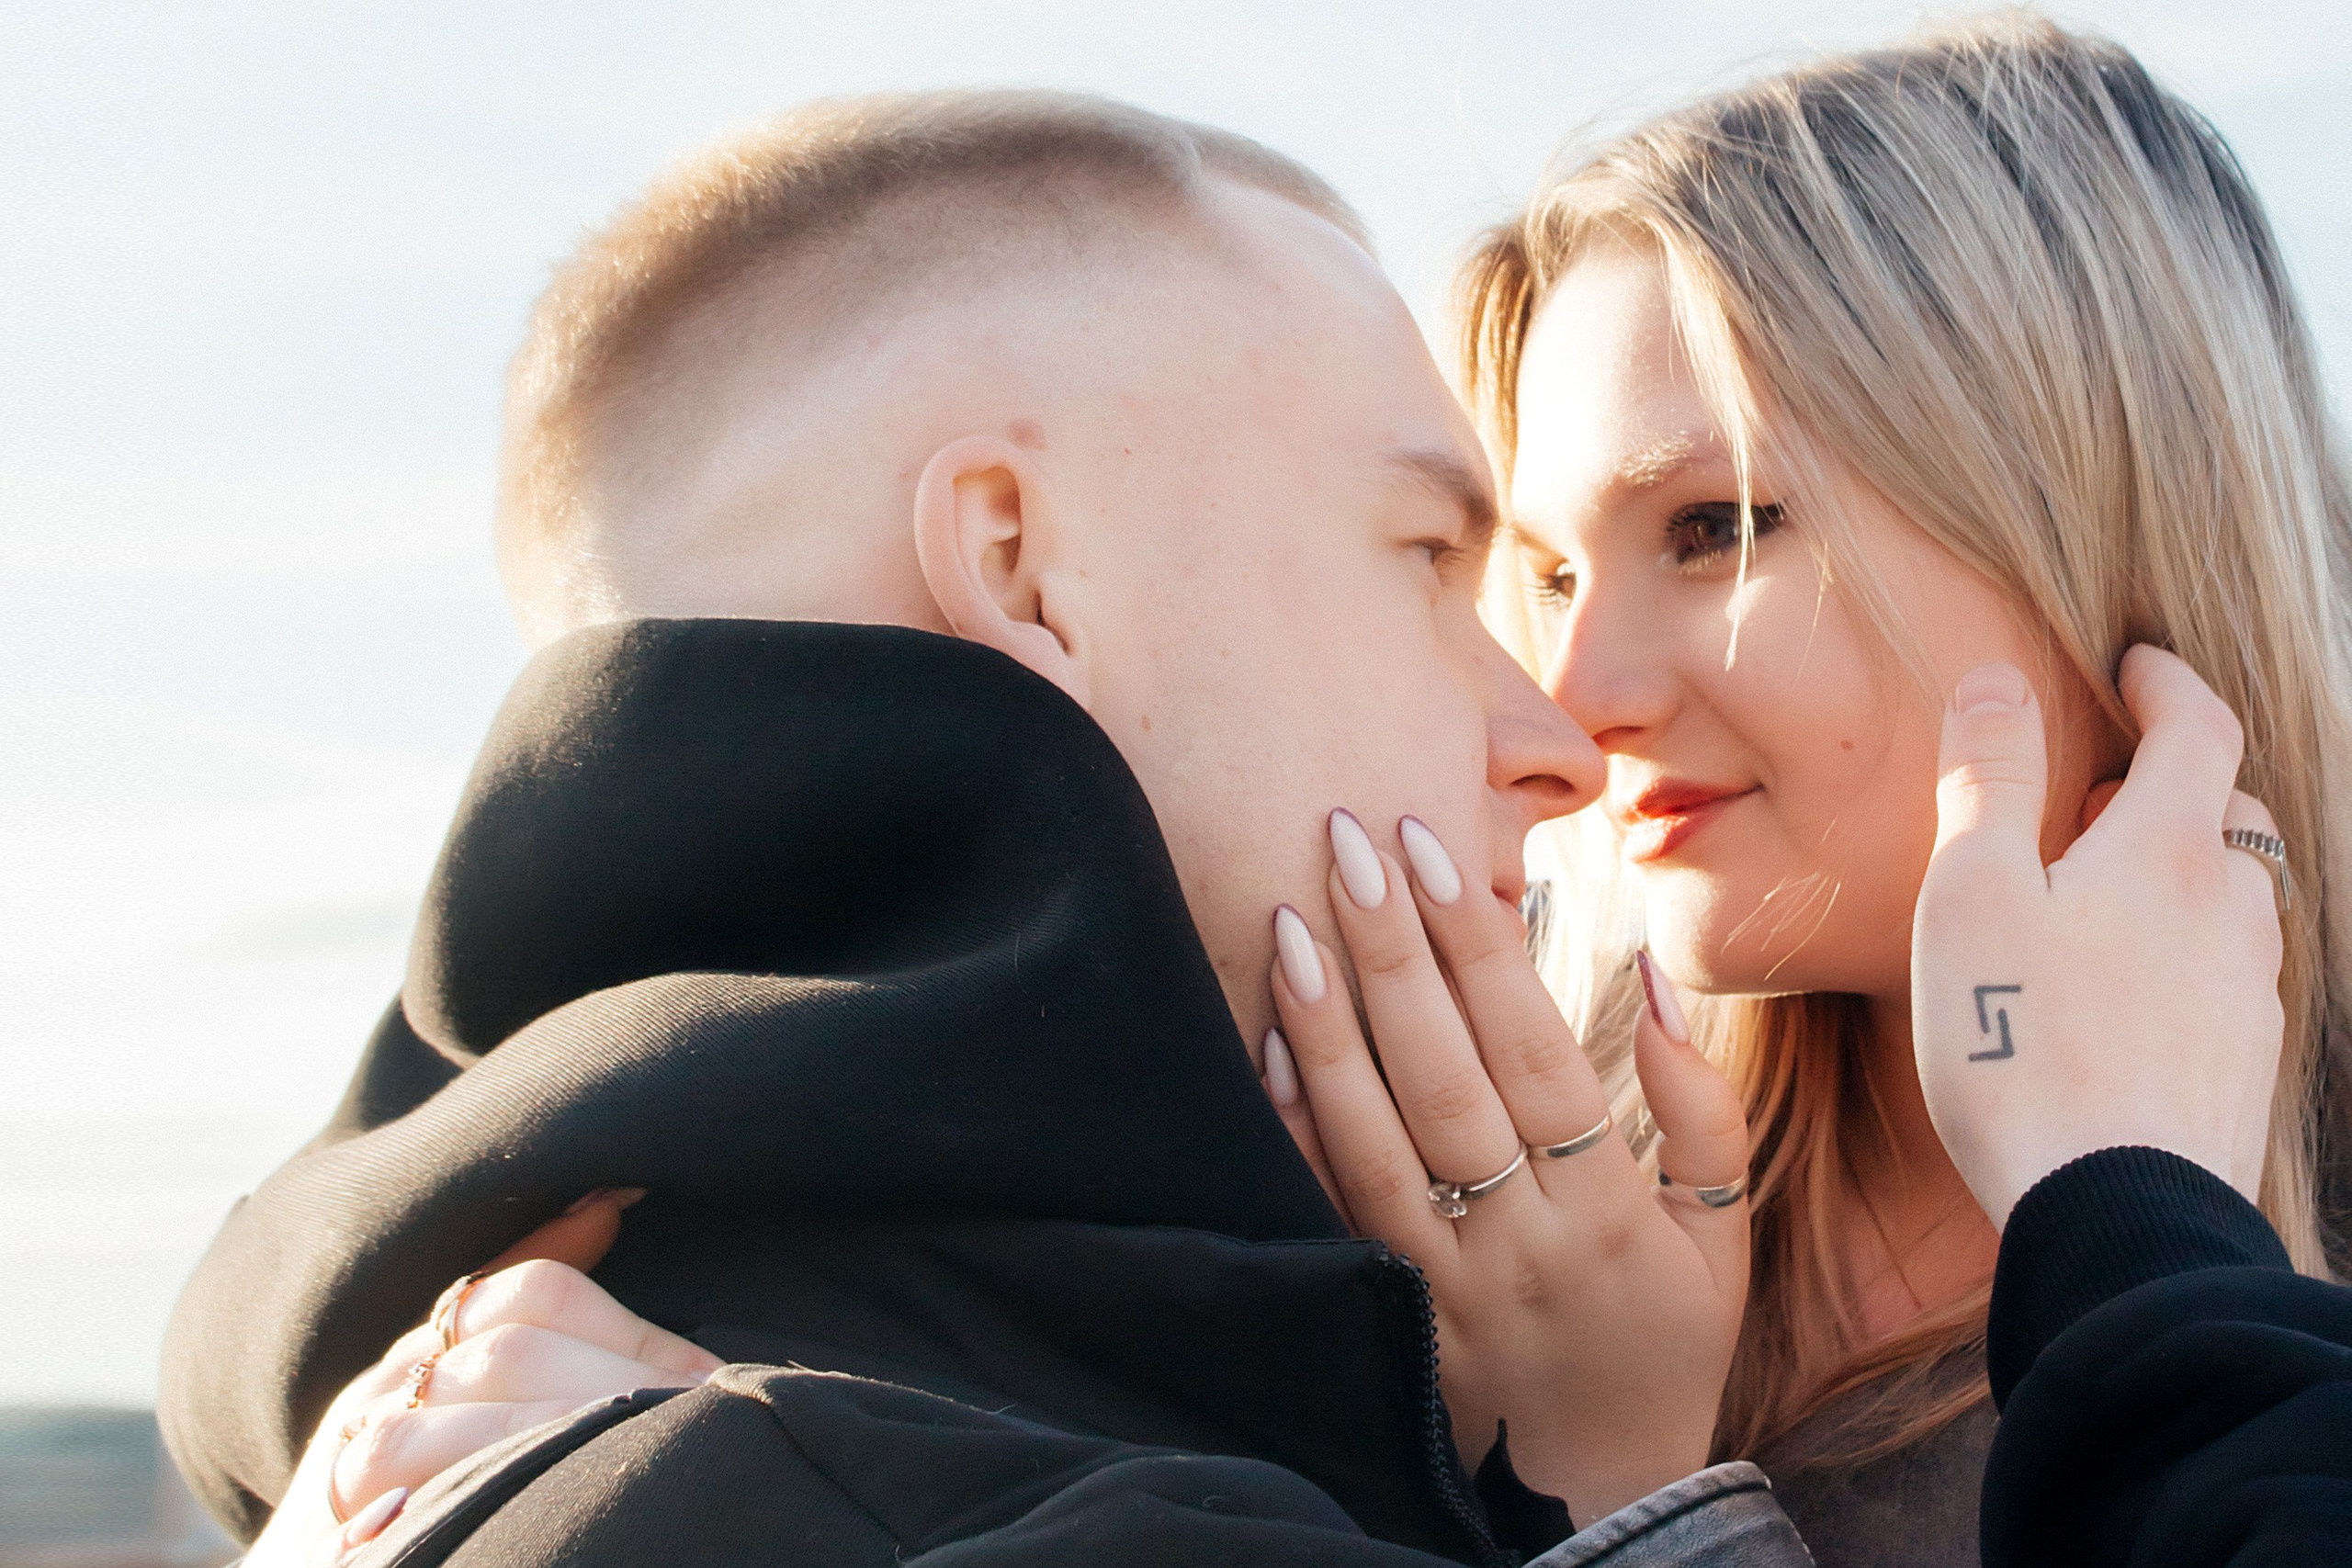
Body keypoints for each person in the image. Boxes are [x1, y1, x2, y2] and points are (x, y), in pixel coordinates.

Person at [161, 88, 1749, 1568]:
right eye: (1427, 558)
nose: (1562, 747)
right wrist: (1624, 1498)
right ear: (1022, 568)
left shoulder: (409, 1422)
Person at [1285, 13, 2349, 1566]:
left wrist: (1621, 1503)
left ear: (2091, 510)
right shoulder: (1499, 1222)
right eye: (1556, 573)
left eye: (1715, 528)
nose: (1573, 703)